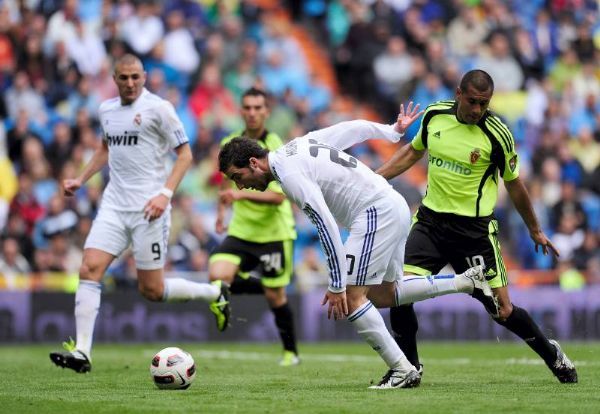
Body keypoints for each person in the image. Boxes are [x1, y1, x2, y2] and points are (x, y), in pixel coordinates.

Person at [218, 105, 498, 389]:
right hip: (392, 204)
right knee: (386, 294)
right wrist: (390, 131)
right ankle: (465, 281)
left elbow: (325, 224)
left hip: (374, 213)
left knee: (353, 298)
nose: (241, 186)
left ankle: (402, 369)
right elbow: (350, 128)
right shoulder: (298, 145)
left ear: (253, 163)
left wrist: (337, 283)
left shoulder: (288, 175)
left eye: (238, 177)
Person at [376, 69, 578, 383]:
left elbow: (514, 186)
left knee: (503, 312)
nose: (477, 110)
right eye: (472, 101)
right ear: (458, 93)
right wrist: (375, 179)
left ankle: (554, 356)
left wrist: (534, 228)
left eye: (484, 104)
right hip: (430, 223)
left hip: (474, 234)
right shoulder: (434, 116)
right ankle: (408, 369)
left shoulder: (498, 134)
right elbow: (413, 151)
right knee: (400, 291)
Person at [49, 54, 230, 374]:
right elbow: (106, 149)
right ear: (114, 78)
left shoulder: (159, 109)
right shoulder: (106, 110)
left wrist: (165, 193)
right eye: (124, 78)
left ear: (144, 76)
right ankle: (82, 352)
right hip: (114, 206)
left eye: (135, 77)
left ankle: (214, 292)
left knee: (153, 291)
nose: (130, 83)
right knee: (89, 268)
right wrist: (80, 178)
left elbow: (185, 155)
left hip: (150, 209)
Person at [210, 87, 300, 366]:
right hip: (241, 229)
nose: (252, 113)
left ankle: (290, 353)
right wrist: (222, 212)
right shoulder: (230, 143)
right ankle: (252, 290)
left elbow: (277, 197)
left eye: (257, 108)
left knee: (277, 297)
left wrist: (239, 195)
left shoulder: (275, 146)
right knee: (216, 274)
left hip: (274, 232)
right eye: (247, 107)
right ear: (241, 111)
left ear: (266, 112)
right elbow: (227, 186)